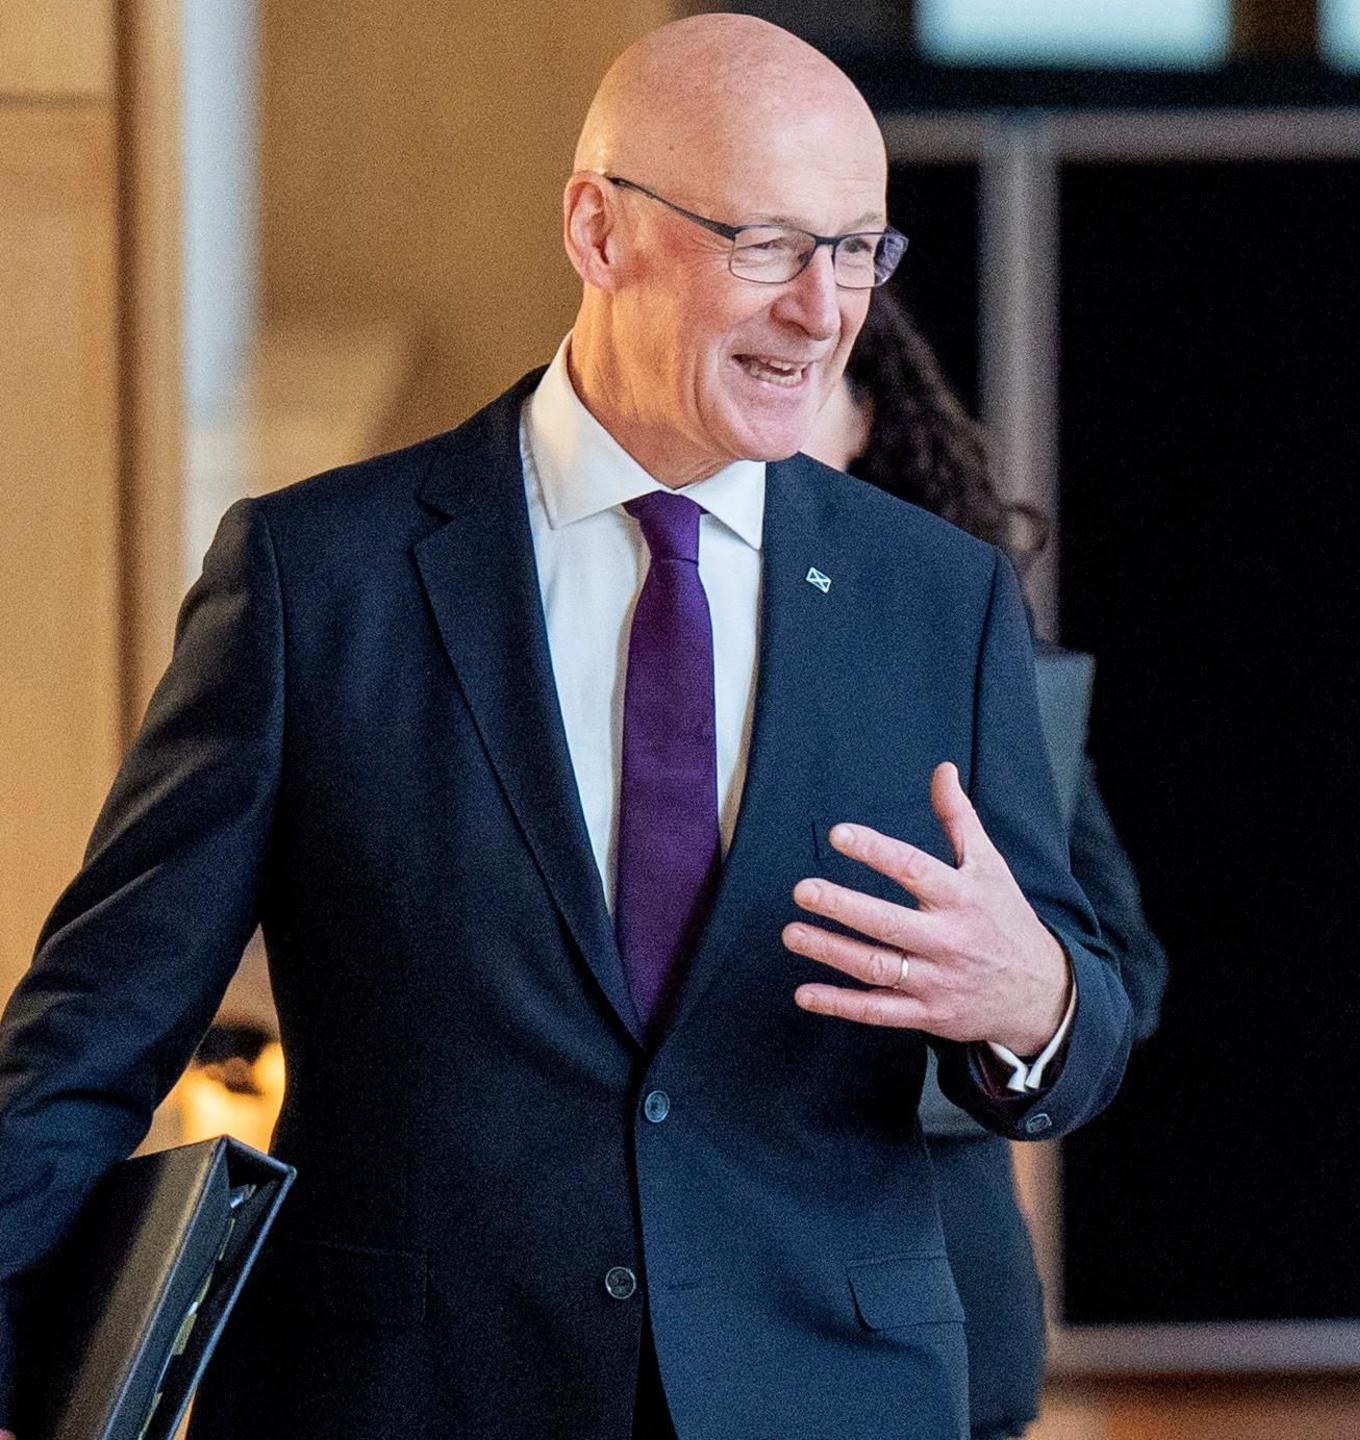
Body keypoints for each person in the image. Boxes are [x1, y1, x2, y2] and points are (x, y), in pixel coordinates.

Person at [0, 16, 1131, 1440]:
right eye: (771, 244)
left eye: (860, 250)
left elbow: (1080, 1023)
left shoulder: (938, 599)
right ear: (599, 231)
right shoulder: (313, 580)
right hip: (409, 1399)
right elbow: (93, 1031)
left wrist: (1035, 1005)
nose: (825, 310)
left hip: (828, 1394)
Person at [807, 292, 1171, 1440]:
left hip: (939, 1250)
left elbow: (1124, 968)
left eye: (805, 381)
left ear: (865, 420)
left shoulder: (975, 650)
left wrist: (1007, 990)